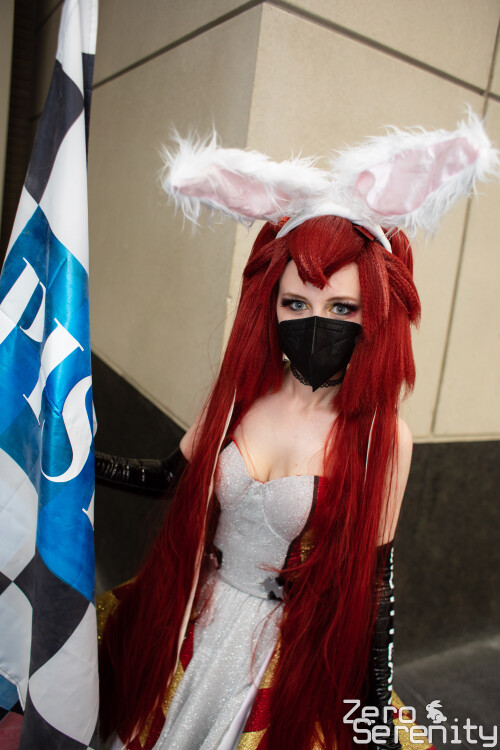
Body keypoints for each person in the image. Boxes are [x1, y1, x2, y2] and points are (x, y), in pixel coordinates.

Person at [96, 116, 497, 750]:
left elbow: (377, 583)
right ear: (271, 306)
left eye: (342, 308)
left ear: (375, 316)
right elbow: (165, 477)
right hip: (194, 622)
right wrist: (71, 463)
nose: (317, 322)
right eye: (296, 304)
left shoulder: (382, 438)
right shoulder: (239, 402)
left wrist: (376, 711)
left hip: (283, 659)